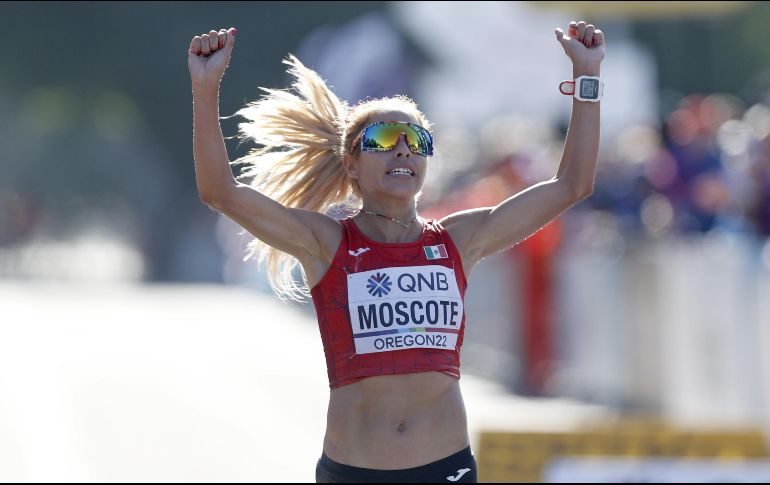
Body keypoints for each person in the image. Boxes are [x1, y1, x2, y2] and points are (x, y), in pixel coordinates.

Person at [188, 20, 604, 483]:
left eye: (417, 141)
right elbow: (221, 192)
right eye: (384, 140)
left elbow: (572, 185)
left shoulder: (458, 240)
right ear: (352, 163)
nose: (402, 150)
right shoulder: (326, 244)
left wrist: (586, 77)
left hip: (447, 468)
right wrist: (206, 87)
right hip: (354, 471)